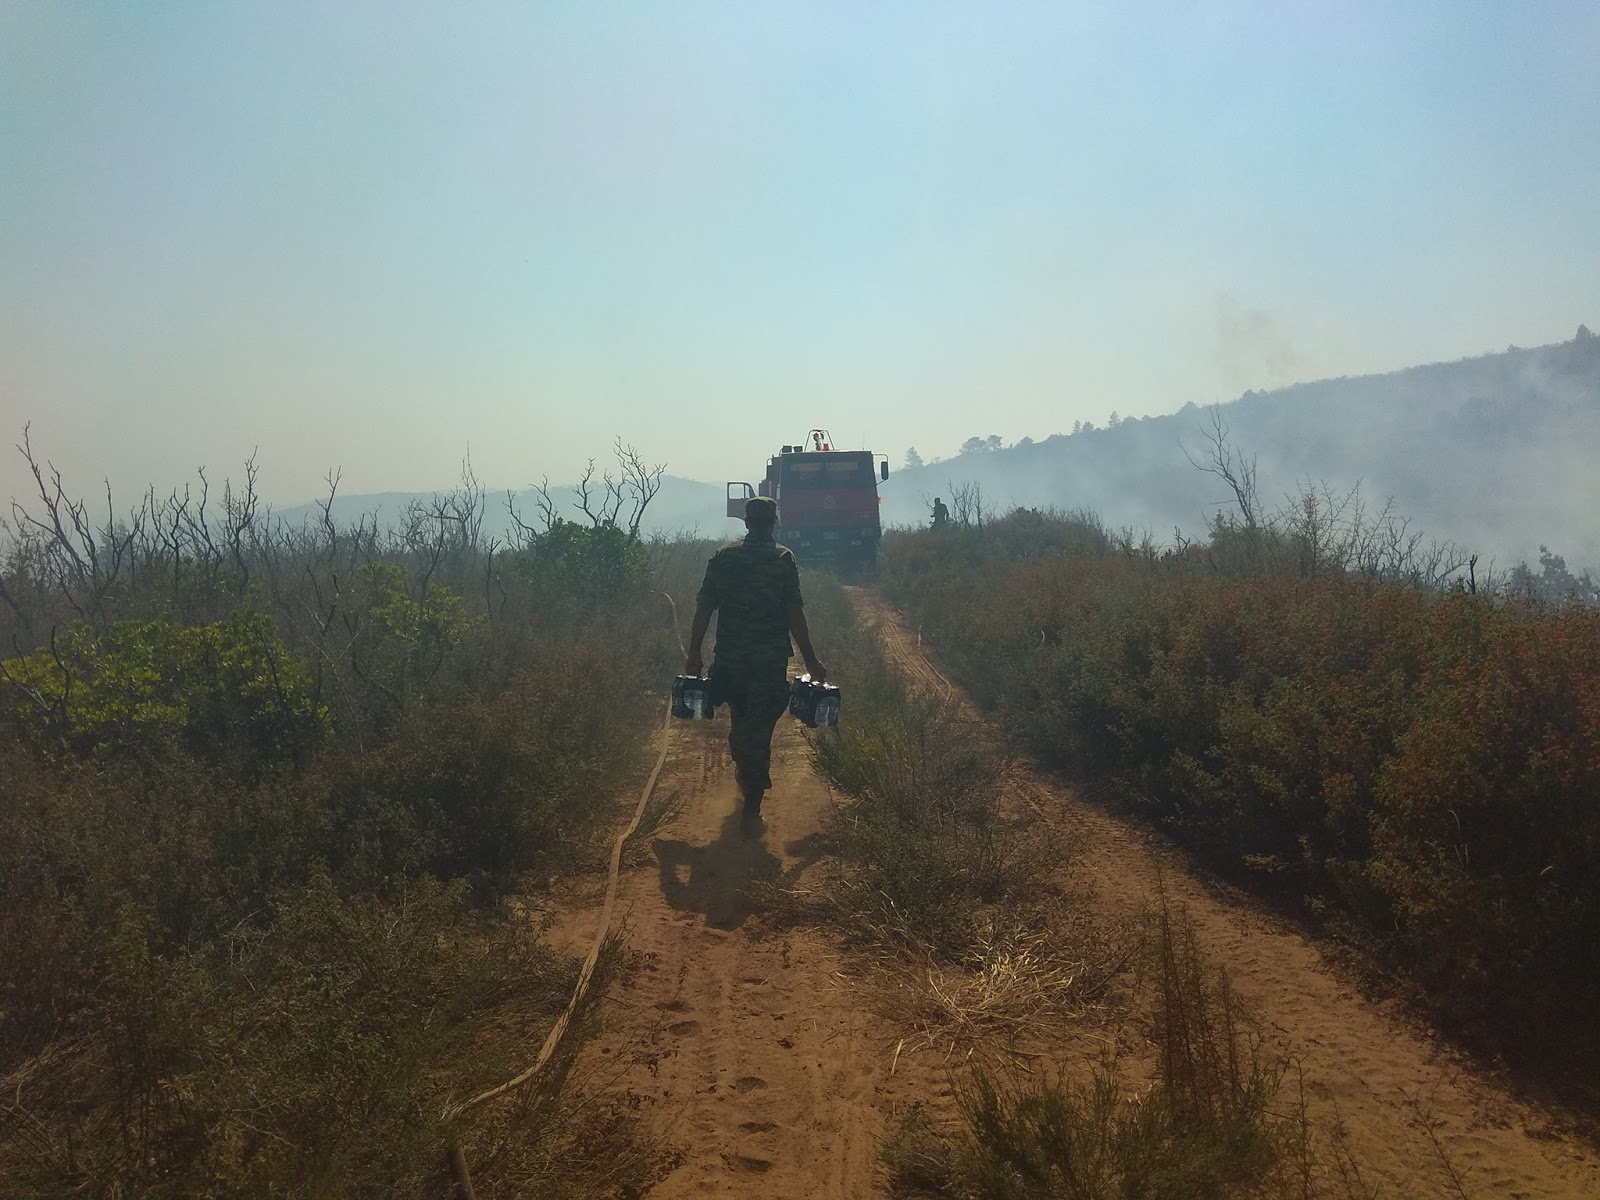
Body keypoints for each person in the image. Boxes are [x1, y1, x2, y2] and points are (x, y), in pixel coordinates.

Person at [685, 496, 826, 829]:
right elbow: (795, 615)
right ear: (773, 522)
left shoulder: (724, 558)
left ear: (747, 522)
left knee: (740, 726)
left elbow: (704, 608)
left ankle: (748, 792)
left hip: (731, 662)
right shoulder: (782, 559)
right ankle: (751, 807)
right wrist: (812, 661)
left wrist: (694, 653)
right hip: (767, 664)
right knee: (758, 733)